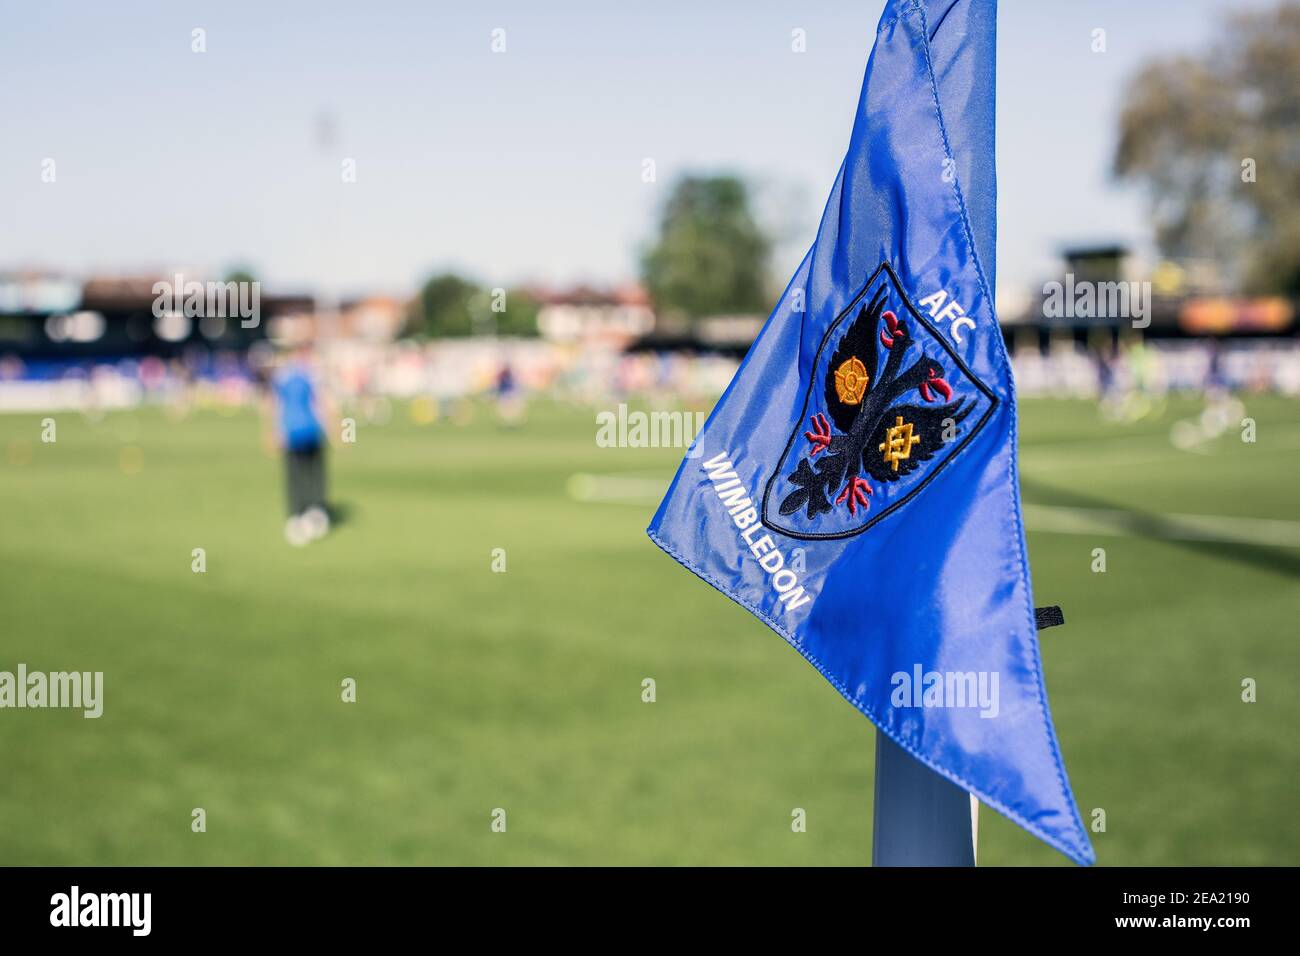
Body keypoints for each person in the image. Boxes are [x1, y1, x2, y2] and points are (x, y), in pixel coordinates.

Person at [261, 343, 333, 546]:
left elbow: (272, 404)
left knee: (296, 476)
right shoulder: (311, 373)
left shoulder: (282, 376)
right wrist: (333, 429)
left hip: (292, 431)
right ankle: (315, 512)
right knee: (313, 474)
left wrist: (272, 432)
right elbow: (322, 402)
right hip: (310, 429)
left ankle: (298, 514)